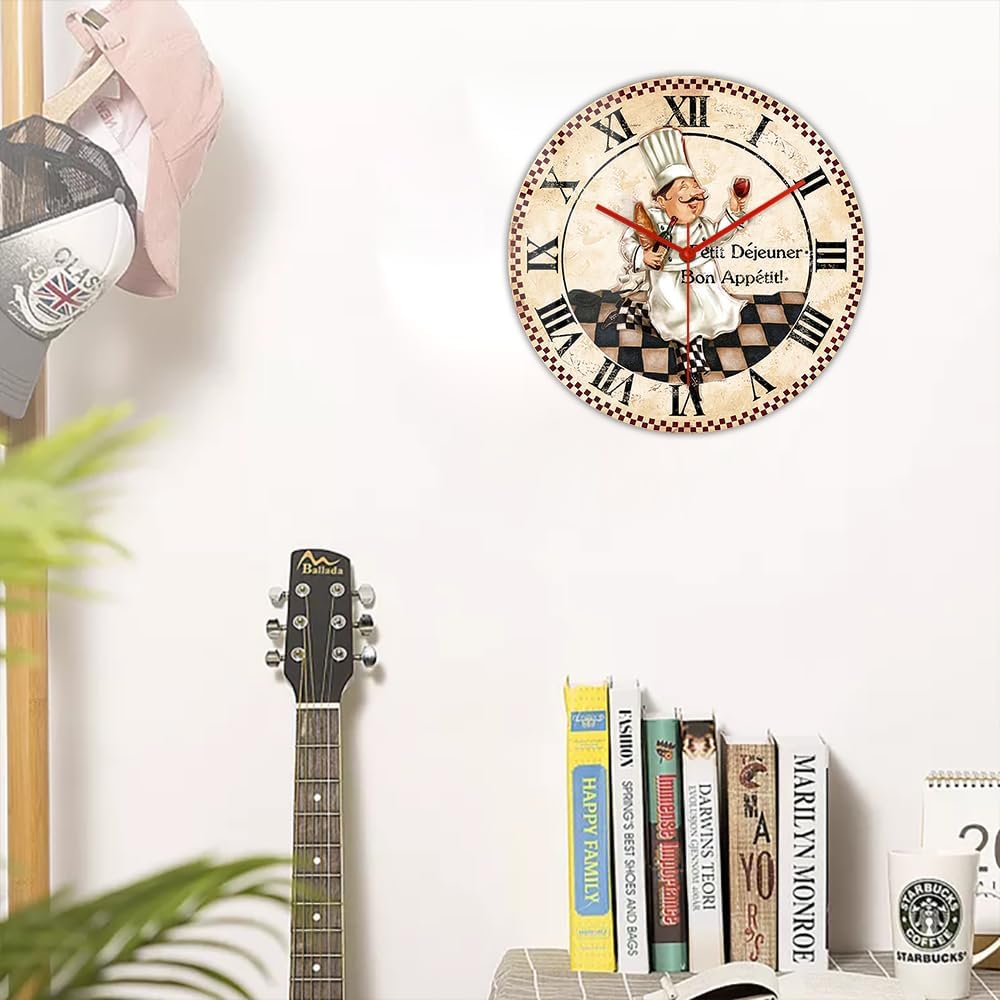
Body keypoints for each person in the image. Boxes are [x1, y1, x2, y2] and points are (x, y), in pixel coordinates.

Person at [616, 127, 750, 381]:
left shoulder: (701, 225)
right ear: (662, 201)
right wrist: (642, 257)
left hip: (702, 282)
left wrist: (733, 211)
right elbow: (628, 243)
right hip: (670, 286)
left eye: (695, 187)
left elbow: (719, 234)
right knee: (680, 320)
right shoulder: (652, 219)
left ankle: (634, 313)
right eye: (683, 188)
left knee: (710, 315)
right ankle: (691, 366)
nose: (694, 195)